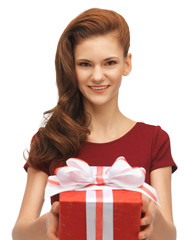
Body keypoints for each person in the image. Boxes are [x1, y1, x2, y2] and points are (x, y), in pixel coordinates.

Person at [12, 8, 177, 240]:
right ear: (72, 67)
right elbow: (19, 233)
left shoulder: (154, 140)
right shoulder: (50, 139)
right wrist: (48, 222)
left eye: (109, 63)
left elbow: (169, 235)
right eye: (85, 64)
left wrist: (154, 217)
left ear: (126, 64)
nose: (97, 76)